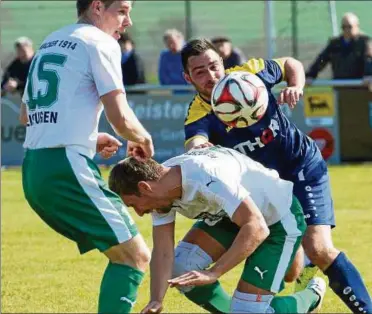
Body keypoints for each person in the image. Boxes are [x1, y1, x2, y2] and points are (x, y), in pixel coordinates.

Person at [180, 38, 372, 313]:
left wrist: (296, 85)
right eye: (200, 72)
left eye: (214, 66)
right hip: (264, 188)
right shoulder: (199, 112)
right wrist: (199, 147)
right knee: (292, 272)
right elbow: (194, 141)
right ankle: (305, 284)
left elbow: (290, 64)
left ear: (223, 62)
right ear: (188, 78)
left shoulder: (250, 75)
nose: (211, 76)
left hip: (301, 168)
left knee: (318, 247)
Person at [19, 1, 154, 313]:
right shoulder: (100, 42)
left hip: (34, 170)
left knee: (126, 255)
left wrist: (90, 139)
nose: (128, 21)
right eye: (122, 10)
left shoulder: (51, 40)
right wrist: (143, 138)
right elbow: (120, 117)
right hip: (66, 168)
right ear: (97, 7)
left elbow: (27, 115)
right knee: (134, 257)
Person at [108, 146, 327, 314]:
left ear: (144, 188)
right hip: (229, 216)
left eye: (133, 204)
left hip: (276, 219)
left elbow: (256, 227)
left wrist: (214, 272)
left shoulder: (206, 177)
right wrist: (156, 299)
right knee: (180, 267)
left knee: (250, 310)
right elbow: (163, 251)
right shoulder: (161, 189)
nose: (138, 212)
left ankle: (312, 295)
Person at [306, 12, 372, 82]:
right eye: (344, 27)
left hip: (360, 86)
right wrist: (310, 75)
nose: (346, 30)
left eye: (349, 27)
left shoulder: (365, 42)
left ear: (357, 26)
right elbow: (322, 59)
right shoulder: (335, 43)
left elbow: (369, 60)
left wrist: (369, 75)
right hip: (340, 84)